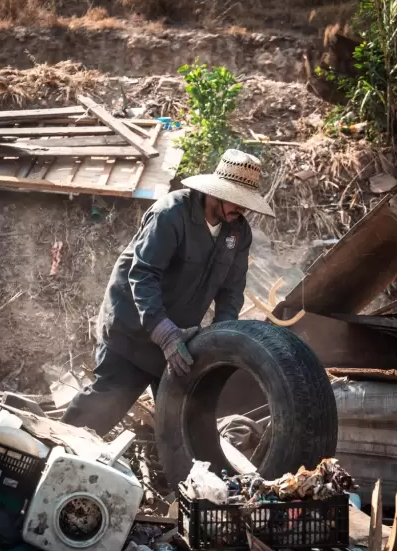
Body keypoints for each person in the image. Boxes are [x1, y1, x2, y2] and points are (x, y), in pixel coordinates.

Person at [60, 149, 275, 435]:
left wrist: (221, 339)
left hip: (181, 340)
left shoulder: (238, 232)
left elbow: (231, 291)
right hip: (133, 331)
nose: (242, 210)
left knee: (184, 424)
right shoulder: (171, 213)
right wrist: (165, 334)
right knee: (103, 407)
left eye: (245, 204)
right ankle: (49, 456)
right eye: (237, 201)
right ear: (216, 193)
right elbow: (143, 274)